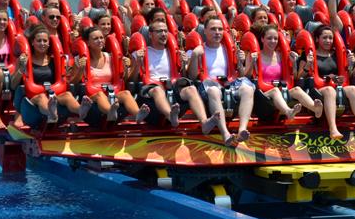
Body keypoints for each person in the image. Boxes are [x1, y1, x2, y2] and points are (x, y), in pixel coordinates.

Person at [133, 19, 220, 133]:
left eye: (165, 31)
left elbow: (184, 77)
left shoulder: (174, 52)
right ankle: (171, 116)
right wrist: (137, 63)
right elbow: (131, 79)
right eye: (159, 31)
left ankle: (204, 122)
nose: (163, 34)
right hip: (151, 92)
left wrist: (184, 65)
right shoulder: (141, 53)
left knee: (191, 89)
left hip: (171, 89)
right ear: (150, 34)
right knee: (158, 90)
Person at [296, 25, 355, 140]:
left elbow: (348, 74)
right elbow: (299, 76)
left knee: (352, 89)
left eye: (330, 38)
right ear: (317, 39)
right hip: (318, 88)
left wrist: (350, 64)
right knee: (329, 90)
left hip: (337, 85)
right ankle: (333, 129)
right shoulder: (308, 55)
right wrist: (308, 64)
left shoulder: (336, 54)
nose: (328, 41)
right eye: (325, 38)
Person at [186, 16, 255, 145]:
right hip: (208, 86)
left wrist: (241, 61)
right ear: (205, 31)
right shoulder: (198, 50)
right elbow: (192, 76)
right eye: (213, 29)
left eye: (220, 29)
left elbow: (240, 74)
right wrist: (195, 56)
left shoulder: (229, 48)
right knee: (213, 90)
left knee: (248, 88)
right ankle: (225, 133)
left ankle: (242, 130)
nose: (217, 32)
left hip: (229, 85)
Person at [70, 26, 148, 124]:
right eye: (95, 39)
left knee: (126, 94)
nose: (100, 41)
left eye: (101, 38)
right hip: (92, 97)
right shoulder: (80, 59)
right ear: (88, 43)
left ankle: (138, 115)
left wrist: (129, 67)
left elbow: (126, 79)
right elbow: (72, 82)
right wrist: (81, 69)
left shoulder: (111, 58)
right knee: (100, 95)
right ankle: (110, 112)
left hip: (111, 94)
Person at [14, 25, 87, 126]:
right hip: (32, 101)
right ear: (32, 42)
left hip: (53, 97)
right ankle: (51, 113)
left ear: (49, 43)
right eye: (39, 41)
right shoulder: (23, 60)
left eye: (45, 41)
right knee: (41, 97)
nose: (42, 44)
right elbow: (13, 85)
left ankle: (81, 110)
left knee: (67, 95)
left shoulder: (55, 61)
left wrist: (80, 69)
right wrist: (21, 69)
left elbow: (67, 82)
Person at [251, 23, 321, 121]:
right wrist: (252, 62)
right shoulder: (256, 55)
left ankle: (315, 108)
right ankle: (288, 111)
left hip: (281, 90)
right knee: (275, 91)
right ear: (262, 39)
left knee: (297, 89)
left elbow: (294, 77)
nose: (273, 41)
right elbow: (248, 76)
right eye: (269, 38)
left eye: (275, 39)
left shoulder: (281, 55)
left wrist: (294, 63)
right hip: (263, 95)